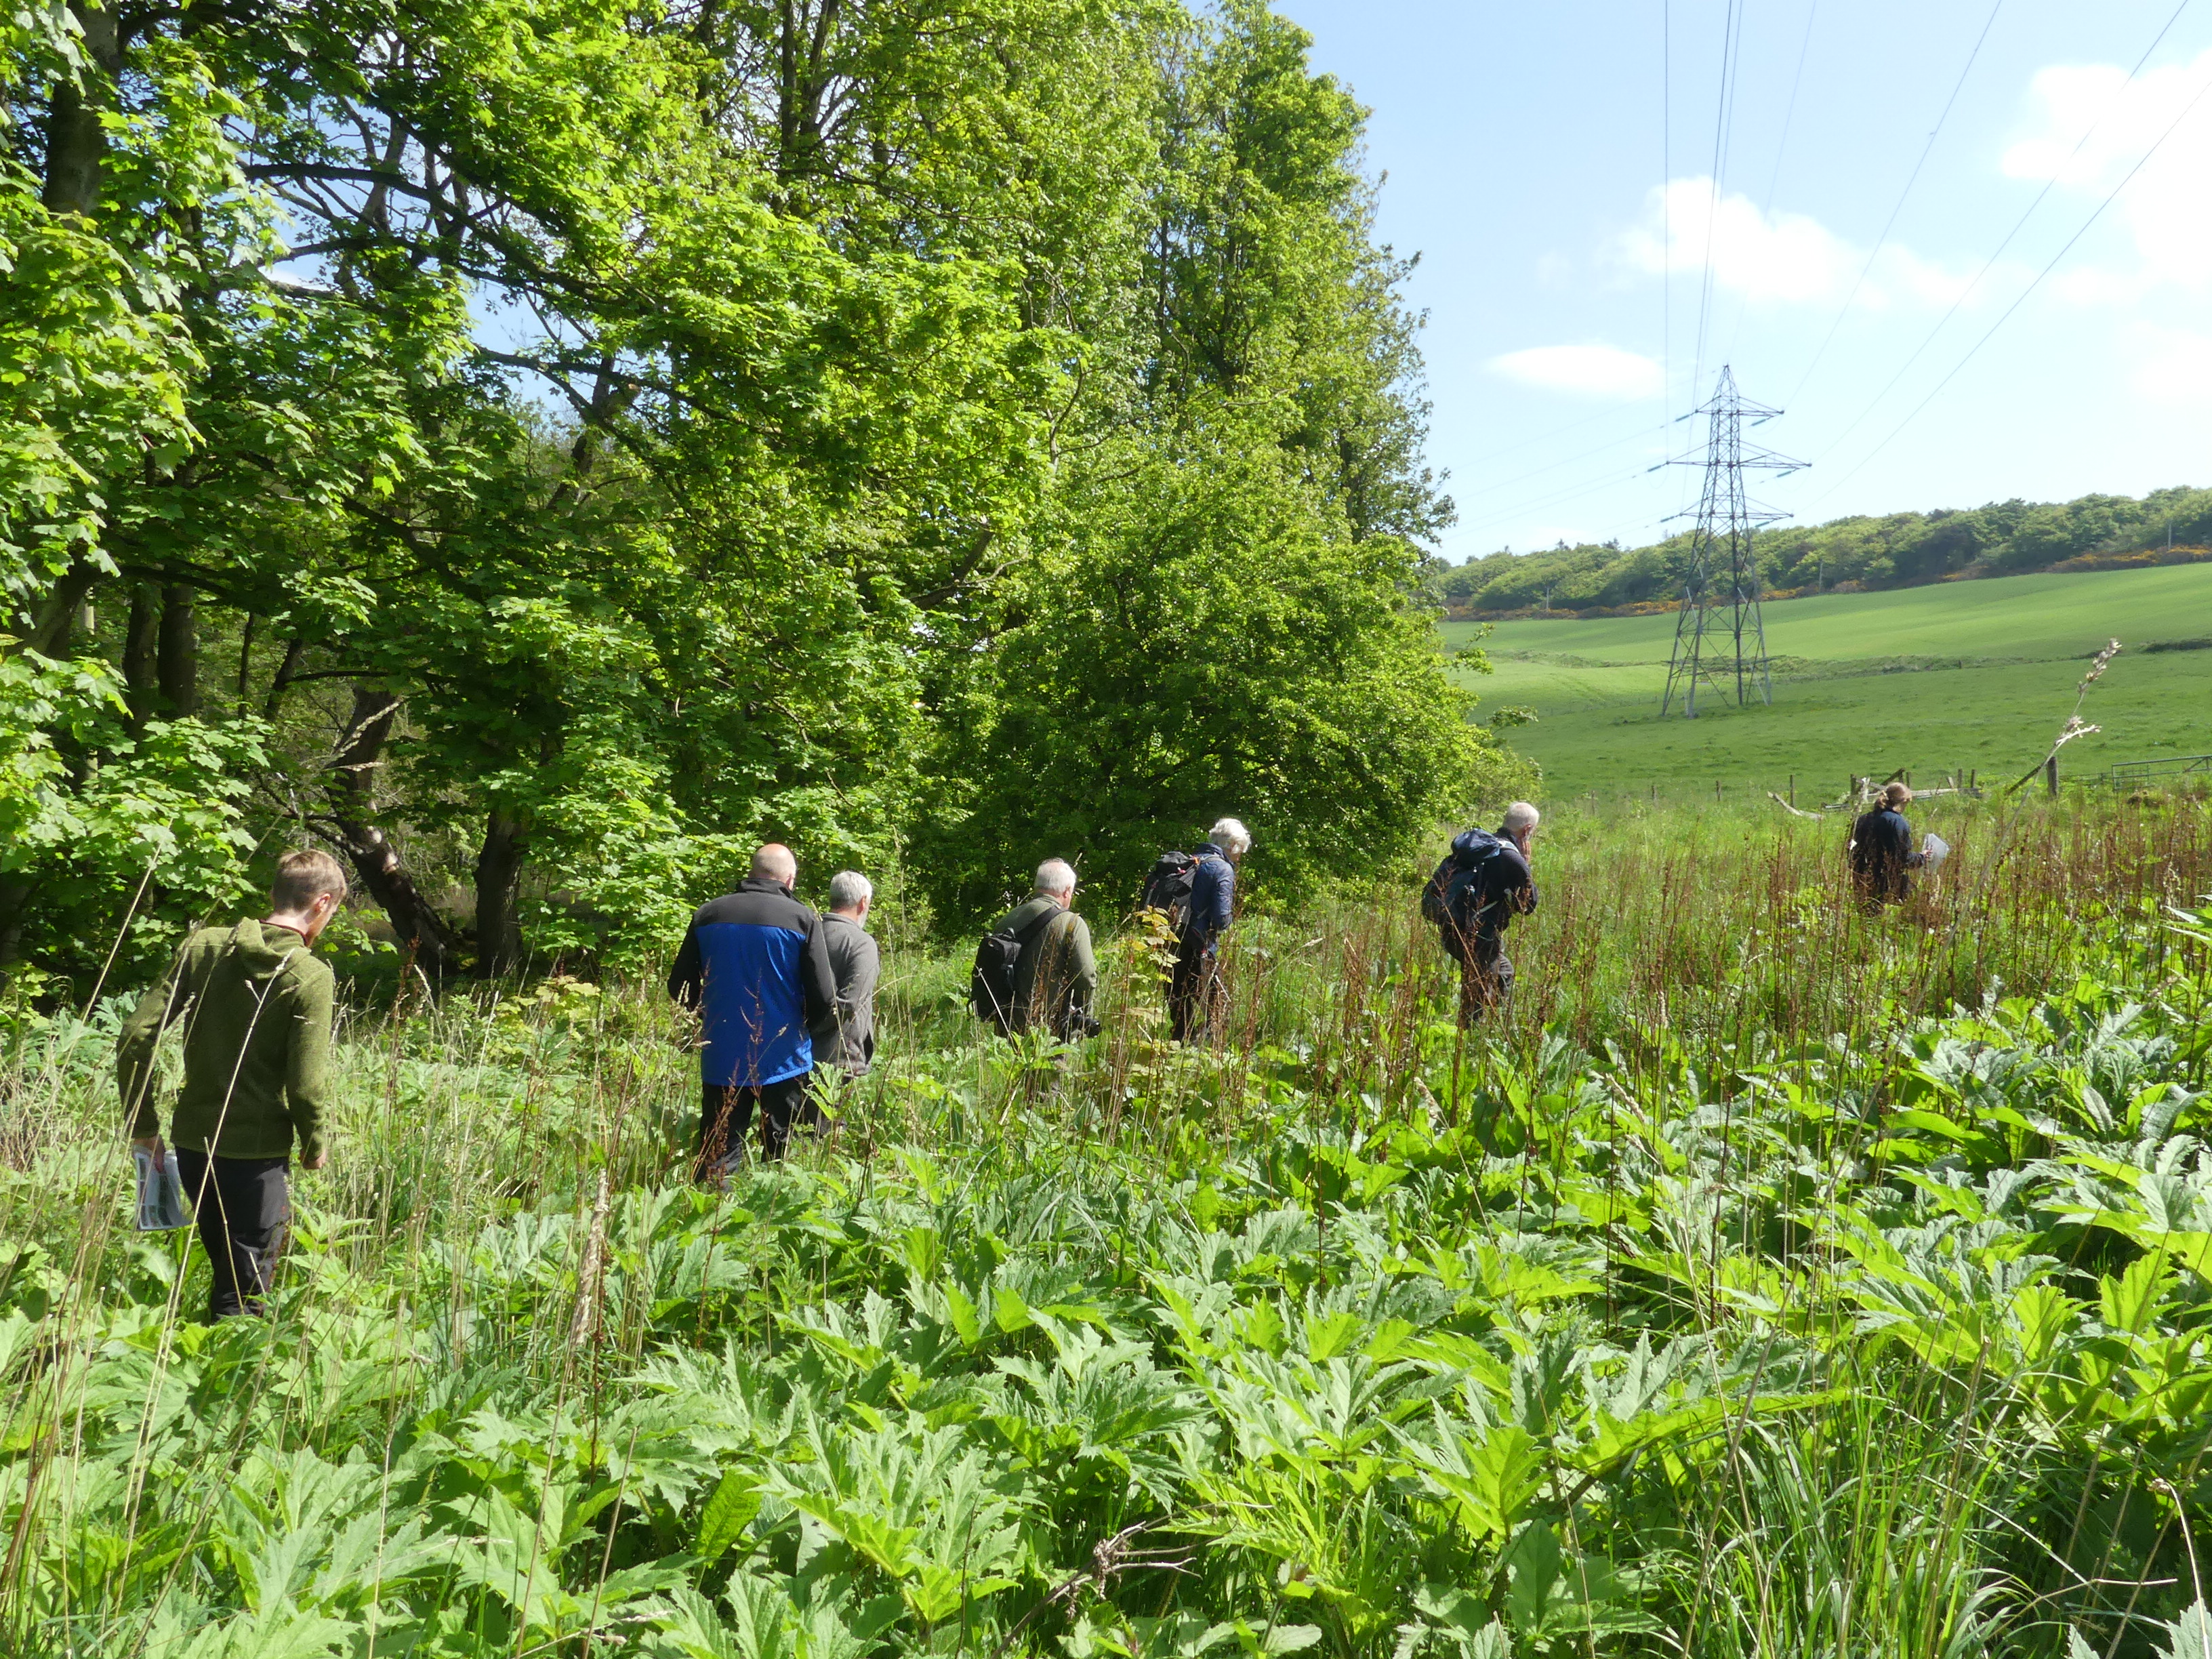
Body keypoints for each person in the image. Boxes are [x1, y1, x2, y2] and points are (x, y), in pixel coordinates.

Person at [117, 848, 347, 1320]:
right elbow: (305, 1085)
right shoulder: (310, 975)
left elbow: (136, 1035)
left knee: (229, 1273)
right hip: (257, 1154)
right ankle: (223, 1385)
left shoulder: (205, 946)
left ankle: (193, 1364)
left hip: (194, 1143)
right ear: (322, 903)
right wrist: (314, 1144)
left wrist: (142, 1124)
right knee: (246, 1293)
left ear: (273, 894)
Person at [669, 843, 836, 1176]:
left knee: (718, 1157)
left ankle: (713, 1217)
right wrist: (807, 1030)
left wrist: (709, 1018)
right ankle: (775, 1220)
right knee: (783, 1161)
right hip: (784, 1056)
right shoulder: (801, 918)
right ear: (789, 880)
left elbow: (679, 986)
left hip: (721, 1057)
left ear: (751, 873)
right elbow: (825, 996)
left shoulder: (708, 915)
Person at [1434, 802, 1540, 1025]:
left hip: (1452, 926)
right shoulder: (1511, 857)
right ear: (1527, 830)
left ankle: (1490, 1027)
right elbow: (1528, 906)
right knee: (1478, 993)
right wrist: (1526, 864)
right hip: (1479, 934)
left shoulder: (1480, 846)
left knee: (1503, 974)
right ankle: (1469, 1040)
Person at [996, 859, 1098, 1039]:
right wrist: (1083, 1017)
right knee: (1049, 1068)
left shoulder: (1007, 920)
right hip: (1050, 1029)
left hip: (1007, 1025)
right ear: (1067, 891)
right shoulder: (1072, 924)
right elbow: (1086, 975)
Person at [1170, 817, 1250, 1043]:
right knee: (1219, 1007)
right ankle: (1200, 1051)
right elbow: (1222, 918)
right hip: (1200, 947)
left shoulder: (1191, 861)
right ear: (1232, 845)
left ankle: (1176, 1051)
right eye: (1240, 851)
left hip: (1172, 944)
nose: (1240, 857)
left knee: (1179, 1005)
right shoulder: (1222, 868)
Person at [815, 870, 880, 1080]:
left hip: (795, 1059)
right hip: (840, 1059)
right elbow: (849, 1004)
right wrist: (811, 1030)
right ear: (863, 903)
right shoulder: (862, 943)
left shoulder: (806, 934)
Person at [1849, 781, 1926, 908]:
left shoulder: (1861, 820)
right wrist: (1922, 858)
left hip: (1861, 882)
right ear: (1905, 801)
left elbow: (1851, 853)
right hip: (1888, 884)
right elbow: (1903, 859)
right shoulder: (1897, 823)